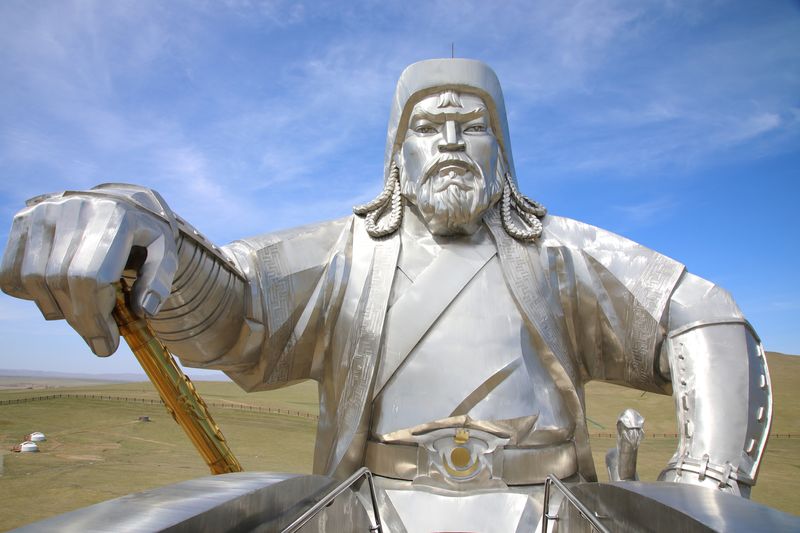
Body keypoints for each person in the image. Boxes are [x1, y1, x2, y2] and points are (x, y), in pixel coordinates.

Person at [0, 59, 771, 529]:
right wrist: (147, 229)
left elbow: (700, 309)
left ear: (503, 155)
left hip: (546, 512)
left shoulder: (561, 254)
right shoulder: (345, 255)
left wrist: (710, 476)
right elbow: (234, 313)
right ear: (396, 154)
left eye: (472, 125)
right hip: (368, 513)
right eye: (428, 125)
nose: (449, 140)